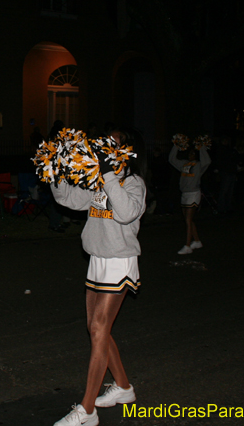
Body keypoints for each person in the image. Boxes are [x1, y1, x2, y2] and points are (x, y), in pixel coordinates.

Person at [50, 128, 146, 426]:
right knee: (97, 330)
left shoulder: (133, 183)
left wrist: (108, 175)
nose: (103, 149)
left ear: (126, 151)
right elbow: (68, 199)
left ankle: (88, 409)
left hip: (119, 261)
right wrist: (55, 170)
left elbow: (127, 212)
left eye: (112, 145)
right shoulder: (99, 182)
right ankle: (124, 388)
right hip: (97, 260)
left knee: (99, 329)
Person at [169, 139, 211, 254]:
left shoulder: (199, 165)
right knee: (189, 220)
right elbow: (172, 160)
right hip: (184, 194)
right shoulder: (183, 164)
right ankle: (197, 241)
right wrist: (176, 146)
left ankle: (187, 246)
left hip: (193, 194)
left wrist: (201, 147)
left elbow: (207, 161)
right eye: (190, 153)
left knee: (188, 220)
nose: (190, 154)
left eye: (193, 153)